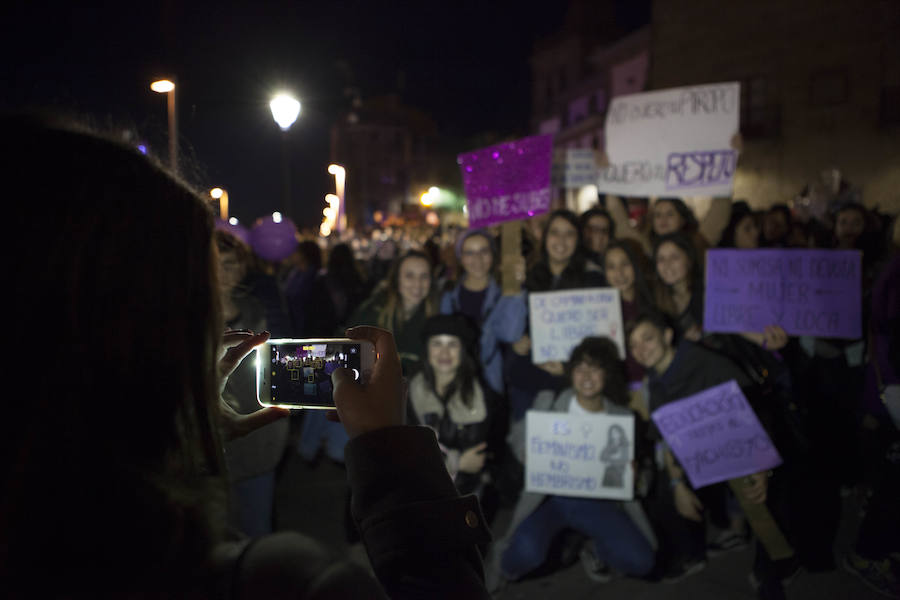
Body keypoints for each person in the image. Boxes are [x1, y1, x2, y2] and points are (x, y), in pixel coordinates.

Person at [5, 116, 491, 598]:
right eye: (206, 288)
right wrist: (391, 449)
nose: (221, 316)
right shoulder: (282, 580)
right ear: (149, 326)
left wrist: (192, 437)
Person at [487, 337, 656, 591]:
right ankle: (503, 568)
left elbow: (646, 472)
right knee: (523, 554)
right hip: (551, 499)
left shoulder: (622, 418)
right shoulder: (549, 401)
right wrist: (527, 452)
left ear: (607, 374)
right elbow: (517, 435)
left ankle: (596, 548)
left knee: (641, 561)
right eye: (580, 368)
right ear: (571, 373)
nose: (586, 375)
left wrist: (636, 478)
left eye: (595, 368)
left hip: (598, 502)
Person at [216, 229, 289, 537]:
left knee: (257, 538)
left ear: (243, 267)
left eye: (230, 263)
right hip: (212, 453)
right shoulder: (182, 319)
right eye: (214, 263)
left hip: (259, 444)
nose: (222, 272)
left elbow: (280, 364)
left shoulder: (258, 310)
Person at [407, 315, 504, 498]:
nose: (444, 353)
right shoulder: (408, 393)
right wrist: (456, 462)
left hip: (464, 494)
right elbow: (403, 453)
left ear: (462, 351)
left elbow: (486, 457)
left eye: (452, 344)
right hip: (416, 490)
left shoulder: (484, 399)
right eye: (437, 343)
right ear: (427, 349)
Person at [440, 228, 527, 396]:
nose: (477, 259)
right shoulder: (448, 295)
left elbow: (511, 333)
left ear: (493, 255)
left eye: (484, 251)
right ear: (461, 258)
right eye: (469, 253)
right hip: (454, 383)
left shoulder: (505, 293)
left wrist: (517, 286)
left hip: (491, 384)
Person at [346, 249, 438, 375]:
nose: (418, 283)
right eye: (409, 276)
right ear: (397, 279)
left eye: (424, 276)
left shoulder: (436, 315)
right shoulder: (372, 312)